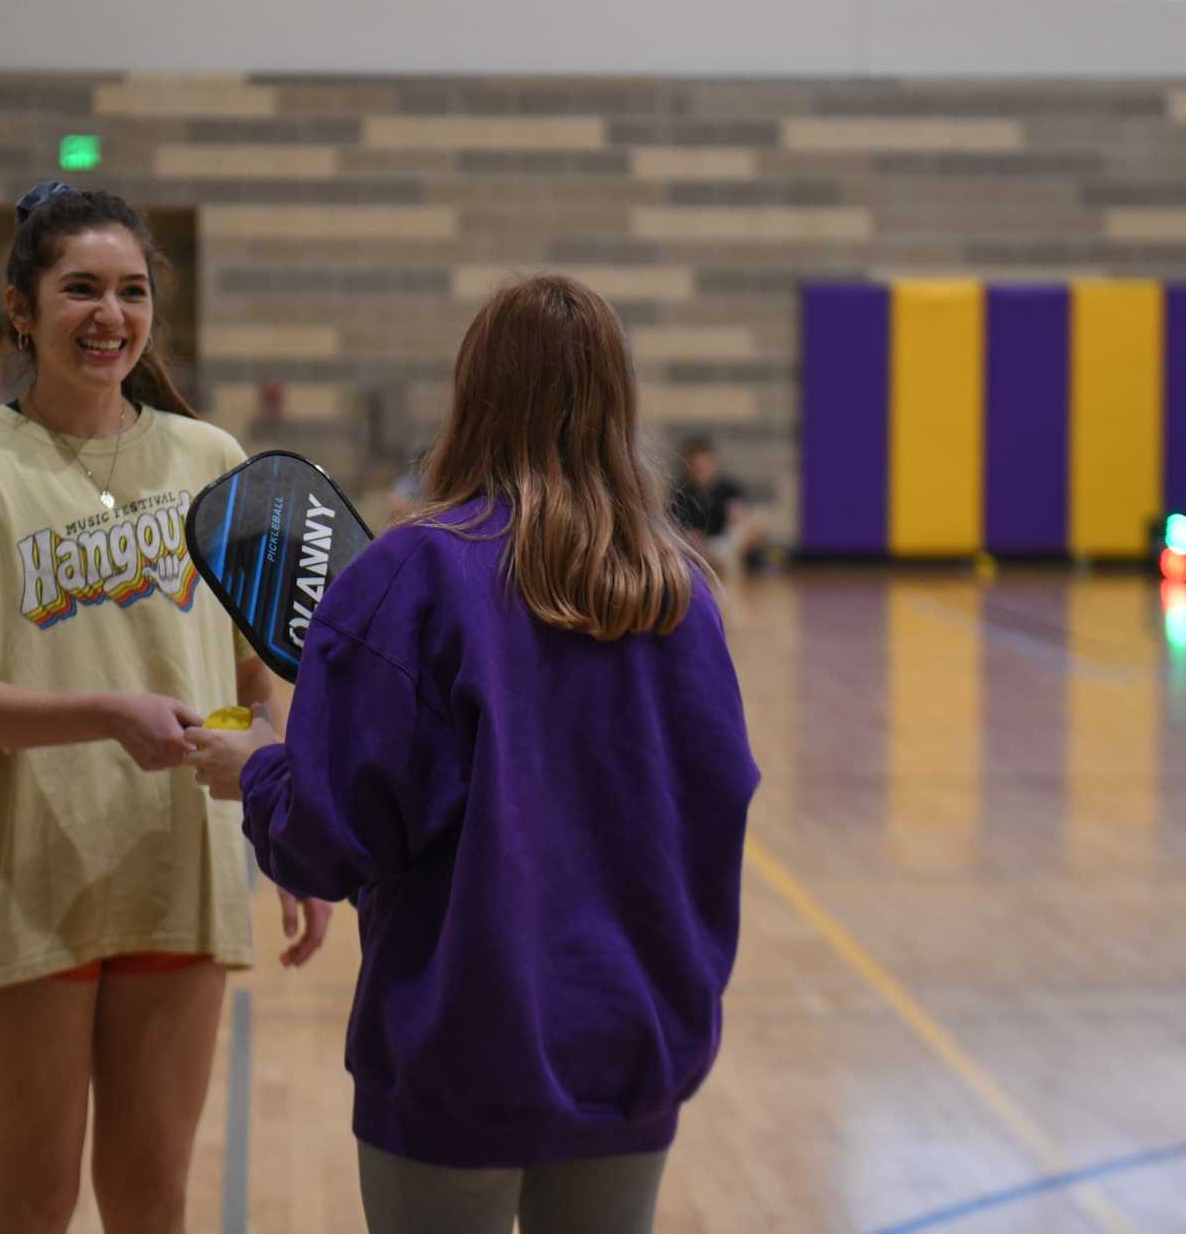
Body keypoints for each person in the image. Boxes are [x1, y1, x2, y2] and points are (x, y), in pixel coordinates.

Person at [188, 275, 760, 1234]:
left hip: (456, 1052)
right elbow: (719, 807)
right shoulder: (682, 594)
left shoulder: (411, 576)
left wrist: (255, 770)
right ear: (620, 405)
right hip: (629, 1048)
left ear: (474, 394)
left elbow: (333, 837)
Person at [0, 180, 332, 1234]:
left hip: (181, 863)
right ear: (21, 308)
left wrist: (290, 816)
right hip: (27, 873)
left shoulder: (211, 460)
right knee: (32, 1199)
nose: (109, 314)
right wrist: (105, 713)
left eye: (131, 290)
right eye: (80, 288)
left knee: (151, 1198)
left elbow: (263, 671)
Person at [670, 434, 766, 577]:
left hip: (727, 543)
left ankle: (724, 562)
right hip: (700, 546)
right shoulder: (681, 491)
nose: (699, 469)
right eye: (695, 466)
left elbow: (740, 519)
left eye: (703, 465)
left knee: (758, 520)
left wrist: (738, 522)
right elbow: (677, 525)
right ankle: (719, 563)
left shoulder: (729, 488)